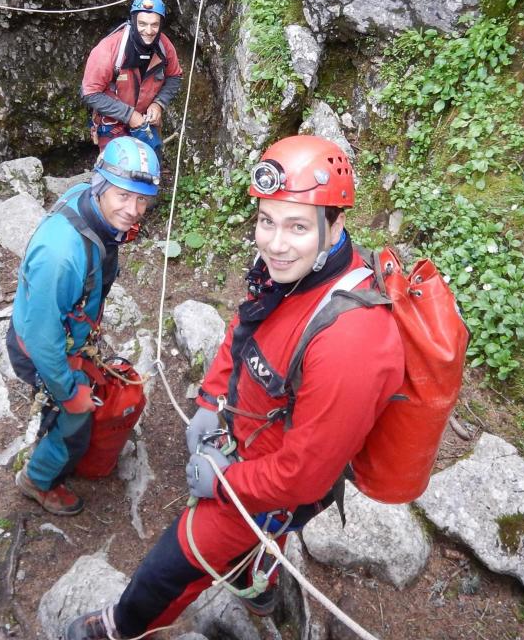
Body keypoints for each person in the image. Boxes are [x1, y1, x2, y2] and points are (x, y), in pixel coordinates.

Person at [63, 135, 405, 639]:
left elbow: (305, 476)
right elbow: (244, 329)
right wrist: (208, 399)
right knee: (266, 540)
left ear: (336, 225)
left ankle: (118, 628)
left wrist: (225, 483)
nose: (274, 243)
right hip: (253, 447)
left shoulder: (351, 342)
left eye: (296, 226)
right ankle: (258, 584)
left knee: (173, 562)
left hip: (271, 480)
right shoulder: (289, 273)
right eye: (266, 221)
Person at [7, 136, 161, 516]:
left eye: (142, 199)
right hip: (41, 348)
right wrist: (67, 390)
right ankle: (38, 480)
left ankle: (54, 422)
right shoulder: (61, 255)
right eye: (124, 196)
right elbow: (43, 340)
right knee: (75, 417)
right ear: (101, 185)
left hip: (65, 338)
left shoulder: (87, 201)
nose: (134, 210)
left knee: (72, 405)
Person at [81, 0, 182, 153]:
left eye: (154, 25)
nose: (148, 31)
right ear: (133, 21)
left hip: (145, 123)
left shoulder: (164, 46)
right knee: (119, 172)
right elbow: (90, 93)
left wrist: (159, 104)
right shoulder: (109, 49)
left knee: (150, 168)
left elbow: (174, 76)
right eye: (142, 24)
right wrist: (129, 115)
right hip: (112, 124)